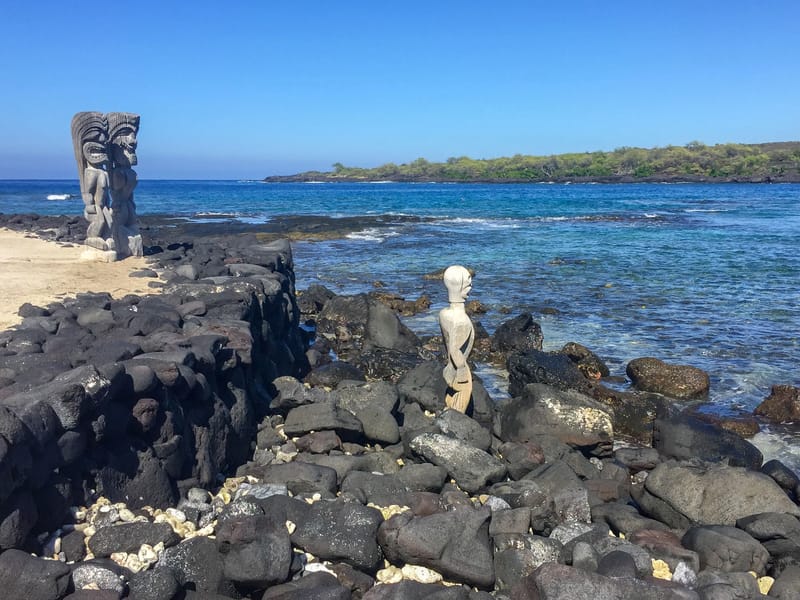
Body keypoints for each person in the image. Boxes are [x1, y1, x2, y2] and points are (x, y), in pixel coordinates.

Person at [438, 265, 475, 412]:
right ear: (459, 287)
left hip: (449, 366)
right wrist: (461, 370)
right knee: (460, 401)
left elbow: (447, 342)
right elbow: (455, 350)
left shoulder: (443, 314)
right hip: (460, 369)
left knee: (451, 396)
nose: (470, 288)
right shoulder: (461, 321)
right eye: (467, 285)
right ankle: (454, 421)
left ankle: (446, 415)